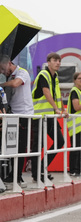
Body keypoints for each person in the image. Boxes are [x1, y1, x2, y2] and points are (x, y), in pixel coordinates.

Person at [31, 52, 68, 182]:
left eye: (59, 60)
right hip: (40, 116)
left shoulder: (55, 76)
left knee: (59, 141)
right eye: (54, 60)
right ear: (48, 62)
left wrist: (63, 110)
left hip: (50, 117)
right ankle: (36, 173)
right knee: (38, 146)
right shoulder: (43, 74)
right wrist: (57, 109)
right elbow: (47, 93)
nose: (58, 63)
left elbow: (58, 95)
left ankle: (41, 168)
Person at [0, 54, 34, 187]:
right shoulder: (9, 76)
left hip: (24, 115)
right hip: (13, 114)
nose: (3, 72)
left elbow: (15, 84)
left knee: (20, 147)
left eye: (3, 68)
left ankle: (17, 176)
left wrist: (1, 84)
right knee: (11, 147)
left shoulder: (22, 72)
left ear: (9, 63)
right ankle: (11, 175)